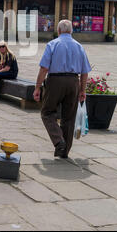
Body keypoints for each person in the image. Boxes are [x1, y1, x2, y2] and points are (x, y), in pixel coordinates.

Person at [33, 20, 91, 159]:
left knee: (47, 112)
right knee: (69, 117)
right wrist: (82, 90)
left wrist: (37, 87)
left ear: (58, 31)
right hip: (73, 82)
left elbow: (44, 69)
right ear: (71, 31)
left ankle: (59, 141)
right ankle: (64, 152)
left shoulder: (53, 44)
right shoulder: (79, 46)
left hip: (55, 81)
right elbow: (84, 72)